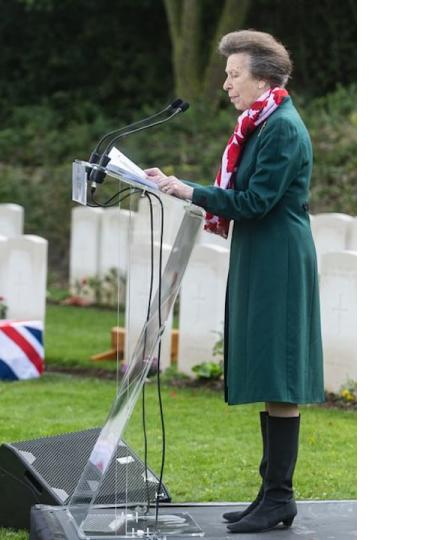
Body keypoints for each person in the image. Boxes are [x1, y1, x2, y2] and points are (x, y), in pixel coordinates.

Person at [147, 30, 323, 534]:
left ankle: (280, 497)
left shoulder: (282, 128)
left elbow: (255, 202)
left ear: (262, 76)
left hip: (279, 258)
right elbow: (244, 196)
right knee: (270, 373)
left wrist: (187, 189)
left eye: (233, 74)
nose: (227, 84)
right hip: (260, 253)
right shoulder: (260, 124)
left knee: (279, 375)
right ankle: (270, 494)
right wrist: (187, 188)